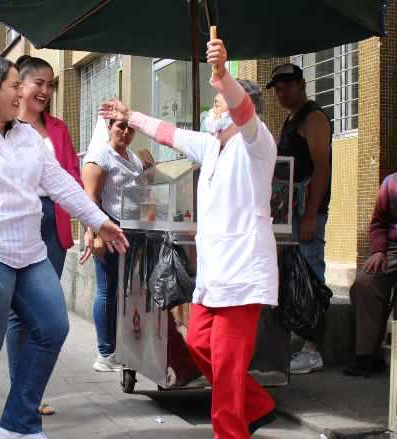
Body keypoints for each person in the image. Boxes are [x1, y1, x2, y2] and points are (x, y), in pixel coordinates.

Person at [0, 57, 128, 439]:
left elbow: (62, 184)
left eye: (22, 84)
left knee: (52, 327)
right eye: (15, 85)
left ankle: (18, 424)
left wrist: (99, 220)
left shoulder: (28, 136)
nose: (23, 93)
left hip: (29, 250)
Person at [99, 37, 278, 438]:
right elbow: (168, 134)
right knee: (198, 345)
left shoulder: (257, 142)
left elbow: (244, 109)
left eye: (216, 106)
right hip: (213, 277)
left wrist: (221, 76)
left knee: (228, 371)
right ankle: (257, 403)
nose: (211, 112)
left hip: (244, 276)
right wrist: (132, 115)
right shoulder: (212, 145)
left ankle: (230, 430)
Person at [4, 55, 83, 416]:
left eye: (51, 84)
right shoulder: (2, 128)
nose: (47, 91)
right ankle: (24, 394)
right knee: (20, 312)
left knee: (45, 311)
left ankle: (29, 391)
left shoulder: (59, 129)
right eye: (40, 82)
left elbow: (72, 177)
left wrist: (92, 225)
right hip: (19, 221)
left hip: (54, 221)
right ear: (19, 85)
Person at [345, 135, 397, 377]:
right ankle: (366, 356)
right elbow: (378, 224)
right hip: (394, 249)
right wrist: (379, 251)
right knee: (364, 283)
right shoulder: (391, 183)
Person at [267, 63, 332, 374]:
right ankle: (299, 339)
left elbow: (322, 168)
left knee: (311, 274)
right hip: (287, 212)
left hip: (307, 212)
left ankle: (313, 347)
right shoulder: (290, 119)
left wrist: (310, 216)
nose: (281, 92)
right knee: (293, 276)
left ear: (301, 84)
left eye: (287, 86)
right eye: (277, 88)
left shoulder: (314, 117)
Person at [81, 116, 144, 372]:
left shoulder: (132, 157)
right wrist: (95, 233)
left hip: (132, 232)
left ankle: (118, 349)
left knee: (121, 292)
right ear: (109, 127)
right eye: (120, 126)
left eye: (131, 128)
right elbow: (90, 198)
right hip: (109, 228)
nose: (126, 132)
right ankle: (105, 354)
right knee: (107, 289)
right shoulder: (101, 155)